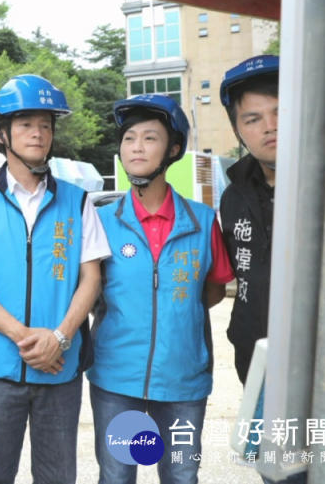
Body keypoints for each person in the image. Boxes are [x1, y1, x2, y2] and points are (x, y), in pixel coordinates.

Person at [0, 74, 110, 484]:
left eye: (45, 125)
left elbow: (90, 278)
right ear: (3, 133)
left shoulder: (77, 201)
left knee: (58, 476)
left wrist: (58, 338)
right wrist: (25, 337)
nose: (37, 134)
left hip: (59, 368)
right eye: (25, 124)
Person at [87, 93, 235, 484]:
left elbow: (215, 289)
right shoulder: (101, 222)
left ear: (173, 149)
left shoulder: (202, 222)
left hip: (183, 378)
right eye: (129, 138)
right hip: (117, 377)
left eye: (149, 138)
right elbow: (88, 290)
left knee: (182, 475)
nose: (136, 147)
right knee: (117, 476)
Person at [219, 56, 301, 484]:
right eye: (253, 118)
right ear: (238, 130)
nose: (269, 126)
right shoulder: (233, 196)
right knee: (276, 473)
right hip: (259, 367)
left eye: (280, 112)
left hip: (322, 369)